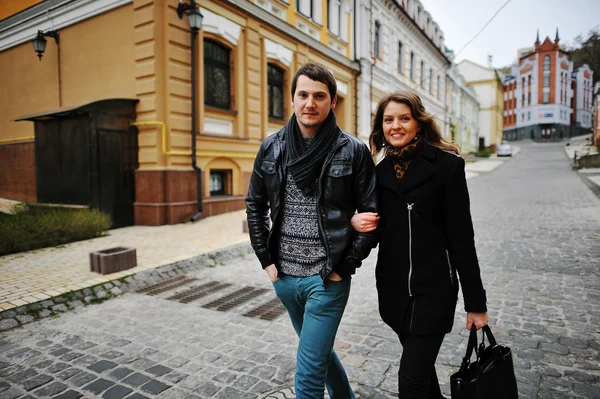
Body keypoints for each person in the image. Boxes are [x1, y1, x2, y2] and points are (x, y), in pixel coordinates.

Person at [245, 62, 379, 399]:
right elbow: (255, 205)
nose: (310, 103)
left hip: (326, 279)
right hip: (285, 279)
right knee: (317, 353)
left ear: (332, 102)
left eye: (319, 96)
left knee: (307, 378)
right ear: (292, 99)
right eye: (303, 95)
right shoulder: (272, 147)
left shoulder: (353, 150)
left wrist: (343, 267)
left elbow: (372, 215)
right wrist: (267, 261)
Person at [351, 91, 488, 398]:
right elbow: (376, 229)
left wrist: (476, 304)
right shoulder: (379, 173)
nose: (395, 126)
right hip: (394, 294)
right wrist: (353, 224)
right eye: (388, 119)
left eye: (404, 118)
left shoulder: (447, 168)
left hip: (433, 293)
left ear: (418, 123)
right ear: (380, 126)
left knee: (410, 383)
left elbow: (462, 240)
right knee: (423, 378)